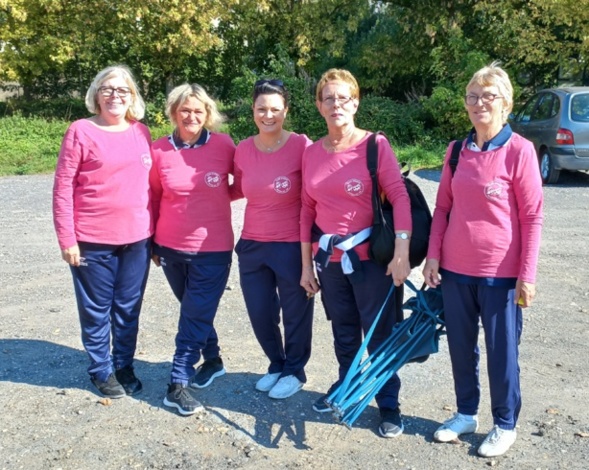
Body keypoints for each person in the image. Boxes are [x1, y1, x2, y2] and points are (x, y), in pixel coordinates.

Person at [423, 62, 544, 458]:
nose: (479, 104)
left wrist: (527, 275)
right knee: (460, 345)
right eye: (472, 97)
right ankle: (465, 413)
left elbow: (532, 217)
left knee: (501, 350)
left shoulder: (520, 152)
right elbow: (442, 208)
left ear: (505, 103)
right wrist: (434, 256)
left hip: (502, 276)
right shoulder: (456, 151)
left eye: (488, 96)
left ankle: (505, 422)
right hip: (456, 272)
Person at [299, 69, 412, 438]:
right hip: (330, 261)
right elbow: (306, 210)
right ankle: (346, 387)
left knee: (379, 334)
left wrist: (401, 252)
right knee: (344, 332)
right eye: (329, 98)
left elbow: (398, 196)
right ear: (319, 106)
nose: (337, 105)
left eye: (344, 97)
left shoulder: (374, 146)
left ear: (356, 102)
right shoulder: (312, 152)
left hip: (371, 262)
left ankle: (389, 405)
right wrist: (307, 265)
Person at [53, 65, 152, 399]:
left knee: (128, 307)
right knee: (96, 310)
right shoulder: (80, 131)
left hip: (137, 239)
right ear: (96, 94)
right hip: (92, 240)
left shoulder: (142, 132)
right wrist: (67, 238)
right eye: (108, 89)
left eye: (122, 90)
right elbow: (63, 187)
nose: (115, 96)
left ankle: (123, 364)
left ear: (132, 97)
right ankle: (100, 369)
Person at [150, 83, 236, 416]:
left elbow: (243, 183)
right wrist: (152, 242)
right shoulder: (158, 150)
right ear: (174, 113)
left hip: (213, 248)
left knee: (194, 312)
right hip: (170, 247)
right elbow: (154, 197)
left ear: (208, 115)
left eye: (198, 110)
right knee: (193, 309)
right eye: (185, 110)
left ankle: (178, 382)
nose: (191, 116)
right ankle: (212, 361)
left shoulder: (224, 145)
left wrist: (213, 200)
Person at [232, 79, 314, 400]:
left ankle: (295, 370)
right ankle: (277, 364)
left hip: (291, 245)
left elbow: (315, 194)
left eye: (275, 109)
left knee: (296, 313)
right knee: (260, 312)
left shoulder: (302, 146)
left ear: (286, 111)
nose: (268, 115)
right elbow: (239, 188)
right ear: (252, 109)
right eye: (261, 108)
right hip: (252, 245)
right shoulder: (243, 149)